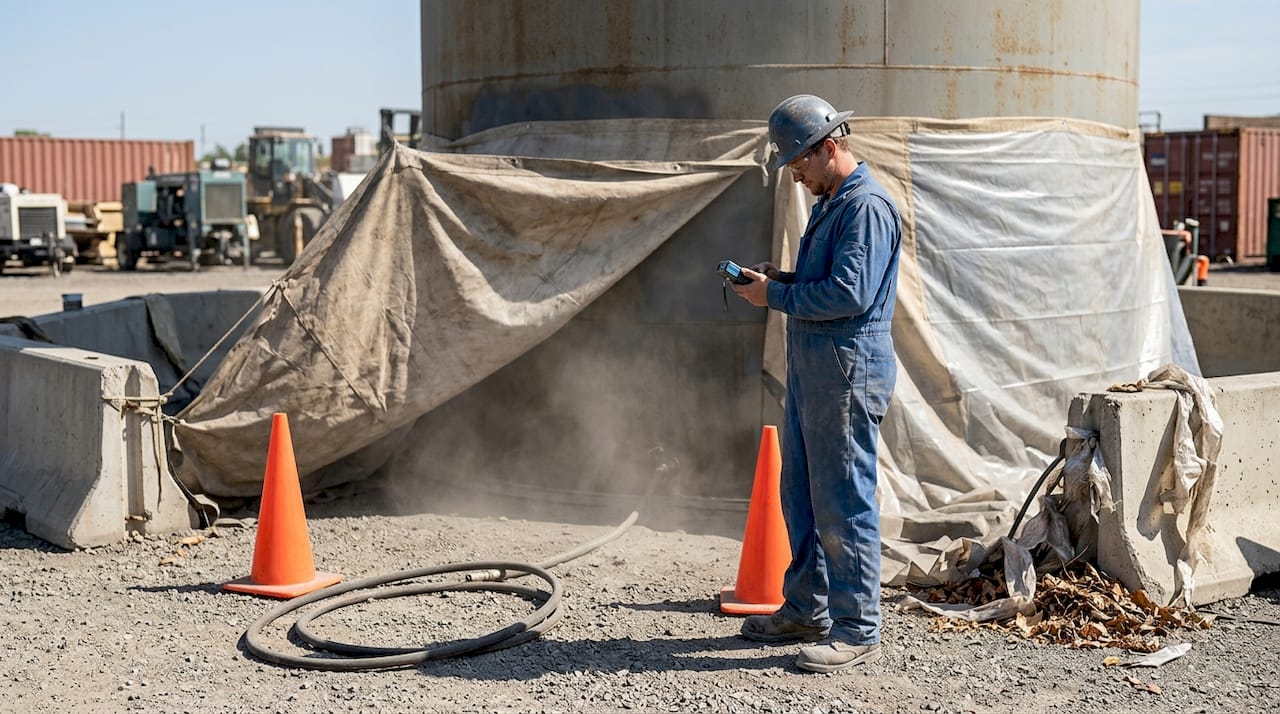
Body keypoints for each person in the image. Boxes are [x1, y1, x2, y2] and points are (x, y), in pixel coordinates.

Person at [729, 94, 902, 673]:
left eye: (800, 160)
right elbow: (825, 280)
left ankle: (858, 628)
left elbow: (849, 294)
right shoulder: (833, 202)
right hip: (818, 369)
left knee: (843, 499)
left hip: (847, 372)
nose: (796, 173)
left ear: (831, 146)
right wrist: (780, 278)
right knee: (801, 493)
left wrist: (774, 296)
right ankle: (807, 608)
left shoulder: (867, 207)